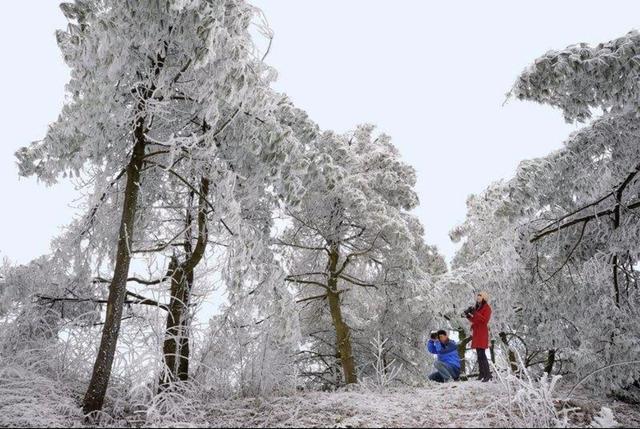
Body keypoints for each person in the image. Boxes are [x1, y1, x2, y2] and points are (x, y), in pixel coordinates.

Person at [464, 291, 493, 382]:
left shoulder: (487, 308)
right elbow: (475, 320)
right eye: (478, 296)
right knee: (479, 353)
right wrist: (468, 315)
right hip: (477, 332)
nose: (478, 297)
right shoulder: (478, 308)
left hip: (482, 332)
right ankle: (482, 374)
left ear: (484, 297)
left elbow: (484, 320)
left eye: (480, 296)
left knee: (482, 353)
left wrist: (474, 313)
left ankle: (487, 374)